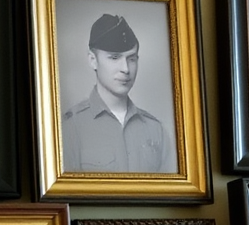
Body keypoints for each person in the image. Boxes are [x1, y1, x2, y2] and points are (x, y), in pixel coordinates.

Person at [61, 14, 173, 173]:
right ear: (93, 60)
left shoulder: (155, 129)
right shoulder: (70, 128)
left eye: (132, 59)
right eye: (114, 58)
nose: (126, 69)